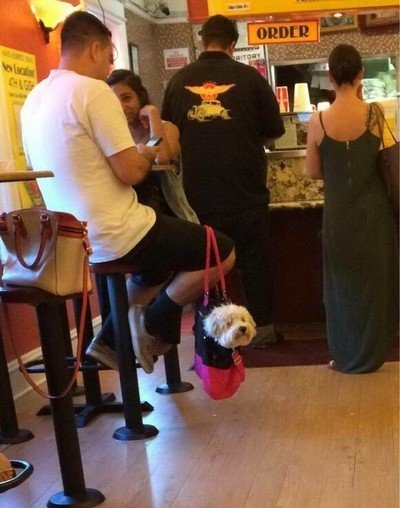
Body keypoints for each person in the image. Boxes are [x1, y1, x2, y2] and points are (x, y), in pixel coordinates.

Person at [21, 11, 235, 375]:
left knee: (156, 268)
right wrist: (147, 152)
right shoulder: (92, 91)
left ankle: (110, 337)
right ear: (95, 48)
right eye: (109, 57)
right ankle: (151, 323)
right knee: (222, 251)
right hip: (118, 231)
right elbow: (132, 172)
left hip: (73, 237)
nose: (109, 67)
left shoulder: (35, 98)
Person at [161, 14, 285, 348]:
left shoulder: (178, 82)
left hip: (199, 196)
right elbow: (274, 132)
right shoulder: (251, 78)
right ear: (233, 43)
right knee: (255, 265)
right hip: (247, 191)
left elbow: (168, 140)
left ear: (202, 40)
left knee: (207, 269)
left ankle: (211, 337)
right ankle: (263, 332)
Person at [306, 44, 398, 373]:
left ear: (330, 77)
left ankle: (344, 356)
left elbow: (312, 172)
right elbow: (389, 162)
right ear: (361, 74)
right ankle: (373, 355)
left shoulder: (318, 120)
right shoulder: (375, 115)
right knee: (375, 282)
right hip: (373, 212)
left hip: (338, 214)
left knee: (341, 287)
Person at [106, 69, 199, 222]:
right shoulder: (117, 135)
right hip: (131, 215)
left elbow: (161, 158)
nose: (121, 106)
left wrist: (153, 115)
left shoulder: (166, 128)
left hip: (169, 213)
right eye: (114, 101)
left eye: (127, 98)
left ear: (140, 97)